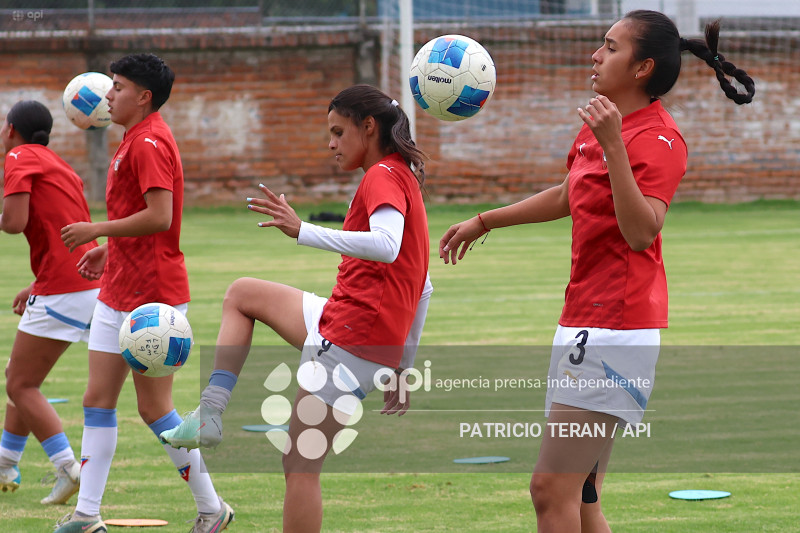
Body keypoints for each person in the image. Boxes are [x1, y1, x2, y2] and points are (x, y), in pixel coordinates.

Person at [439, 11, 754, 533]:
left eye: (610, 47)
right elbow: (569, 195)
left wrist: (613, 146)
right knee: (583, 497)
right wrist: (484, 220)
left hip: (618, 329)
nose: (595, 55)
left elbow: (641, 231)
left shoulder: (659, 140)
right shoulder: (603, 126)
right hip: (584, 318)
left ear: (641, 67)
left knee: (550, 489)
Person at [160, 84, 433, 533]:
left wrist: (301, 229)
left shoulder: (383, 176)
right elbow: (423, 287)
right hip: (348, 322)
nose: (330, 143)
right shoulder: (400, 174)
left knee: (300, 467)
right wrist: (402, 365)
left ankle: (211, 415)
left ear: (368, 127)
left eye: (338, 132)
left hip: (352, 338)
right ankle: (210, 411)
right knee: (242, 294)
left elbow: (387, 246)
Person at [56, 54, 234, 533]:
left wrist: (97, 228)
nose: (108, 95)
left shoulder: (149, 141)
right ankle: (87, 515)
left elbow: (160, 216)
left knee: (155, 409)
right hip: (117, 289)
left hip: (153, 298)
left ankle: (212, 508)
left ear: (143, 96)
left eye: (117, 86)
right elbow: (144, 220)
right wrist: (109, 251)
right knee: (97, 398)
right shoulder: (132, 138)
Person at [0, 101, 100, 505]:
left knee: (20, 383)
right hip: (84, 281)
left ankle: (68, 469)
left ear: (10, 130)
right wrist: (35, 283)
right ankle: (5, 463)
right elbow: (55, 228)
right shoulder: (58, 164)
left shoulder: (18, 156)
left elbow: (14, 222)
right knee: (23, 377)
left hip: (66, 287)